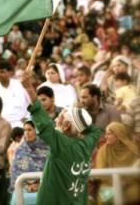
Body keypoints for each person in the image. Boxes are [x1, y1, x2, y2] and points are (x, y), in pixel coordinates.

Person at [19, 72, 101, 205]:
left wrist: (29, 88)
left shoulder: (62, 144)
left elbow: (43, 122)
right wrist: (79, 117)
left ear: (67, 125)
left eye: (60, 117)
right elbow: (94, 130)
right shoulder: (87, 143)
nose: (56, 119)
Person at [96, 122, 140, 205]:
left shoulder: (133, 150)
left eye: (109, 134)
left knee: (136, 194)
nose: (105, 137)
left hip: (129, 185)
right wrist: (115, 182)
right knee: (103, 198)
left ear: (118, 135)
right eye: (105, 134)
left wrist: (126, 181)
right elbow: (101, 172)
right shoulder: (103, 151)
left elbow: (137, 172)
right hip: (110, 185)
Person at [9, 120, 48, 205]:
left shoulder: (47, 148)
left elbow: (51, 171)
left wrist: (39, 185)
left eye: (29, 130)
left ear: (36, 131)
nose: (26, 133)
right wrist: (27, 187)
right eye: (25, 130)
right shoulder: (20, 149)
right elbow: (15, 173)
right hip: (23, 187)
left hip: (44, 186)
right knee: (17, 199)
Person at [0, 61, 30, 128]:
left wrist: (28, 117)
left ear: (10, 73)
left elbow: (32, 103)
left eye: (2, 72)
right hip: (1, 125)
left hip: (21, 123)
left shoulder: (21, 85)